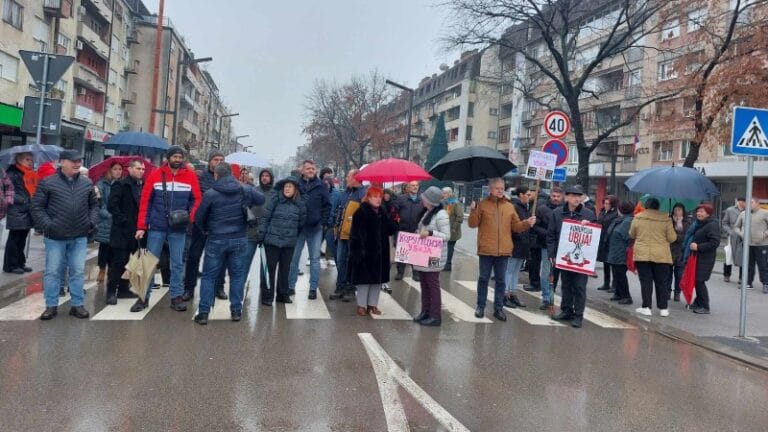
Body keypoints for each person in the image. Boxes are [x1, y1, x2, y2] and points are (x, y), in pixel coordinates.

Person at [192, 163, 264, 324]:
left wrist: (206, 230)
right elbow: (261, 199)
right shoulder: (244, 189)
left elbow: (199, 217)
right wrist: (245, 192)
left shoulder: (211, 193)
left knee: (209, 276)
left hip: (216, 238)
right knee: (237, 275)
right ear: (231, 174)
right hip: (239, 237)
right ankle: (236, 310)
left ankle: (203, 313)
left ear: (216, 175)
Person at [31, 150, 99, 320]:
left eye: (79, 161)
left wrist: (90, 222)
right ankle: (51, 306)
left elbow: (94, 206)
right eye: (73, 161)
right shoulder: (48, 182)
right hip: (55, 237)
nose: (77, 164)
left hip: (79, 236)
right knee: (53, 271)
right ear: (62, 162)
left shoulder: (86, 183)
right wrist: (49, 225)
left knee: (77, 271)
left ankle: (77, 305)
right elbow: (37, 207)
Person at [134, 146, 202, 312]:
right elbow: (146, 201)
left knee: (177, 263)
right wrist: (142, 226)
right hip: (157, 226)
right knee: (150, 262)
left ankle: (176, 296)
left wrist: (190, 216)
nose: (178, 160)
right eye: (175, 157)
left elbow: (197, 199)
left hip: (178, 227)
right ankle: (143, 297)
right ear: (168, 158)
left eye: (180, 157)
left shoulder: (190, 176)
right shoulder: (156, 174)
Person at [468, 178, 536, 322]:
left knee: (501, 280)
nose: (500, 191)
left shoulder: (509, 207)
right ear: (490, 189)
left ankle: (498, 308)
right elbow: (472, 224)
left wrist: (527, 223)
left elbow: (516, 226)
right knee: (483, 279)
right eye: (497, 188)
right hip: (486, 249)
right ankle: (480, 306)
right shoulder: (483, 205)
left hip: (504, 250)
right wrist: (473, 210)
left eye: (502, 188)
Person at [547, 184, 597, 328]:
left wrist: (589, 225)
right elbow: (551, 235)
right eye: (573, 196)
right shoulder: (557, 213)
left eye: (579, 196)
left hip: (581, 259)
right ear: (567, 197)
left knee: (579, 287)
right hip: (563, 256)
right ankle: (566, 310)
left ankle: (578, 315)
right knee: (566, 285)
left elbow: (596, 236)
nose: (577, 199)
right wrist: (551, 254)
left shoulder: (588, 214)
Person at [182, 150, 227, 302]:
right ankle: (189, 288)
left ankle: (219, 287)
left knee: (220, 257)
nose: (218, 162)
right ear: (209, 161)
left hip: (219, 225)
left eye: (221, 159)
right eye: (216, 159)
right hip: (200, 223)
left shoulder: (227, 179)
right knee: (194, 256)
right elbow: (193, 197)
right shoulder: (200, 177)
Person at [347, 186, 398, 317]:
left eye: (380, 196)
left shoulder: (383, 212)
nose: (378, 199)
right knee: (364, 281)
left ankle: (372, 305)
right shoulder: (361, 212)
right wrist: (357, 252)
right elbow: (355, 235)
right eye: (375, 196)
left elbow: (390, 230)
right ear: (368, 198)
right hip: (365, 252)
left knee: (377, 281)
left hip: (381, 253)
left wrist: (393, 217)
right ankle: (361, 305)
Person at [256, 176, 306, 305]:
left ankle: (282, 295)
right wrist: (261, 235)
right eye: (285, 186)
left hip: (288, 243)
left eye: (290, 186)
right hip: (271, 241)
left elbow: (301, 223)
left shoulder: (300, 204)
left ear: (295, 189)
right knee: (269, 270)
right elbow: (265, 218)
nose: (287, 189)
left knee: (285, 270)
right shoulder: (275, 200)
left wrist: (291, 234)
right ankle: (267, 297)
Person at [286, 160, 330, 300]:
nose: (311, 170)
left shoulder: (321, 185)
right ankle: (290, 286)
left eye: (313, 168)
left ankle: (313, 288)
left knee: (315, 259)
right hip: (298, 228)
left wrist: (323, 222)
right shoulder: (296, 185)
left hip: (315, 228)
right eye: (308, 168)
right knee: (294, 258)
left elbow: (327, 205)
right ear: (302, 171)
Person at [105, 159, 145, 305]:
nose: (141, 171)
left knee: (132, 262)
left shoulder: (142, 185)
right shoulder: (120, 184)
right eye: (138, 168)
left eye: (143, 169)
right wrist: (122, 220)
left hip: (137, 230)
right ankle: (111, 291)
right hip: (122, 230)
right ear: (130, 169)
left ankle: (123, 288)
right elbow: (112, 205)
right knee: (118, 261)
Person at [629, 197, 676, 317]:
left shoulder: (638, 217)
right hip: (661, 255)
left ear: (645, 206)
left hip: (642, 254)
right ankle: (663, 308)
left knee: (646, 281)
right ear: (658, 207)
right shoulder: (666, 219)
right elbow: (672, 238)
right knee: (662, 282)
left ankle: (646, 307)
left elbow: (632, 234)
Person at [412, 186, 450, 326]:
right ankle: (425, 311)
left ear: (430, 200)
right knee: (424, 283)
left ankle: (435, 315)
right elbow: (422, 229)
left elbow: (447, 236)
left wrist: (430, 233)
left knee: (432, 284)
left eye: (424, 198)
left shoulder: (441, 214)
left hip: (435, 256)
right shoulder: (427, 212)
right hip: (424, 254)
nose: (422, 200)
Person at [330, 169, 366, 300]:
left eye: (348, 176)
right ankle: (340, 286)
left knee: (352, 262)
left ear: (356, 178)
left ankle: (351, 288)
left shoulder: (363, 193)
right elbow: (338, 210)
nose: (346, 178)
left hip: (354, 235)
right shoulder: (344, 193)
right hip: (342, 233)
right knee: (340, 261)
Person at [527, 187, 563, 312]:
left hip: (562, 246)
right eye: (554, 196)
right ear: (550, 195)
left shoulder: (565, 209)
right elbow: (535, 226)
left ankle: (553, 295)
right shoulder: (542, 209)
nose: (556, 198)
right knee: (546, 272)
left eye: (558, 196)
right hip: (546, 245)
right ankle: (546, 298)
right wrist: (547, 234)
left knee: (557, 273)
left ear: (562, 197)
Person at [3, 152, 37, 274]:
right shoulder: (12, 173)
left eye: (31, 160)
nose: (30, 162)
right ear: (19, 160)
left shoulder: (29, 173)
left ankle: (20, 262)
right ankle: (10, 265)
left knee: (22, 238)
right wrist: (22, 200)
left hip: (27, 209)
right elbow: (7, 191)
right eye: (27, 159)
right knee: (14, 238)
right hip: (17, 210)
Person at [683, 204, 721, 313]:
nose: (698, 213)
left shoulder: (712, 225)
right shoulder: (701, 224)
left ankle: (705, 306)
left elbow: (715, 242)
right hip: (698, 257)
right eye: (698, 211)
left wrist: (698, 247)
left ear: (708, 213)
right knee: (696, 280)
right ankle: (698, 303)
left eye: (702, 212)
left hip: (705, 258)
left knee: (699, 281)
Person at [245, 168, 275, 292]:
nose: (265, 177)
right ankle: (240, 285)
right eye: (263, 175)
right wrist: (249, 216)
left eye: (267, 175)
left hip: (268, 232)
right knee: (245, 260)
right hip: (252, 230)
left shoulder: (275, 193)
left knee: (265, 264)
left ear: (271, 178)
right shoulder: (253, 191)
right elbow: (245, 206)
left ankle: (265, 289)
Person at [94, 161, 123, 284]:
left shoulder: (122, 184)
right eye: (115, 169)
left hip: (118, 221)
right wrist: (110, 215)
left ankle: (112, 271)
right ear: (109, 170)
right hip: (106, 220)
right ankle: (102, 269)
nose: (118, 171)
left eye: (120, 169)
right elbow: (99, 204)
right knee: (104, 247)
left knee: (115, 248)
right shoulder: (101, 184)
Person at [504, 186, 532, 308]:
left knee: (515, 271)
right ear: (521, 195)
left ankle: (513, 294)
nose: (529, 197)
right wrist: (521, 236)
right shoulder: (514, 207)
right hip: (515, 243)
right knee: (509, 271)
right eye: (528, 194)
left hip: (523, 244)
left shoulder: (525, 207)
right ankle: (504, 294)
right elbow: (512, 226)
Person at [734, 198, 768, 293]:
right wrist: (741, 233)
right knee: (748, 265)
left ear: (757, 203)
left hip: (762, 244)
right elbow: (736, 227)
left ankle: (765, 284)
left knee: (763, 265)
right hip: (748, 244)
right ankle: (748, 283)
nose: (749, 204)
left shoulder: (765, 213)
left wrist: (765, 234)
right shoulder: (743, 214)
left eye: (751, 202)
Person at [605, 201, 635, 304]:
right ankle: (618, 293)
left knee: (620, 275)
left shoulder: (627, 221)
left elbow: (628, 237)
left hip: (621, 252)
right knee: (616, 274)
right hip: (615, 251)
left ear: (621, 210)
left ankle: (626, 296)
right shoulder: (620, 220)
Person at [394, 181, 424, 281]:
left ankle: (416, 273)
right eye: (413, 185)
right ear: (408, 187)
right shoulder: (401, 199)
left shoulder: (422, 199)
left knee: (415, 253)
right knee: (402, 253)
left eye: (416, 185)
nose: (415, 187)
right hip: (404, 230)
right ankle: (400, 272)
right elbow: (395, 212)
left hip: (416, 230)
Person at [669, 203, 691, 302]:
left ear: (683, 211)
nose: (677, 212)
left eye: (679, 210)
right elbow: (667, 235)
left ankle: (677, 292)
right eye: (675, 210)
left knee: (679, 274)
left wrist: (675, 236)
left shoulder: (687, 222)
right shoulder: (669, 221)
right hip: (669, 250)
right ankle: (667, 291)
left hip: (681, 251)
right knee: (668, 273)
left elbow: (686, 237)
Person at [596, 195, 618, 292]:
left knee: (612, 263)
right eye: (604, 203)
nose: (605, 205)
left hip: (610, 240)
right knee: (605, 263)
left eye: (607, 204)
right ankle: (606, 283)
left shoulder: (616, 214)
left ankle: (614, 285)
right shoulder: (602, 212)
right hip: (602, 240)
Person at [722, 197, 746, 283]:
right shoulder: (730, 210)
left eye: (743, 201)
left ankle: (741, 278)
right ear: (737, 202)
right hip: (732, 237)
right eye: (740, 201)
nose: (741, 203)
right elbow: (724, 223)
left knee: (743, 257)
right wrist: (730, 231)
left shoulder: (749, 210)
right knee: (729, 255)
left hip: (744, 237)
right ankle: (727, 275)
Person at [441, 187, 463, 272]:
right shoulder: (444, 202)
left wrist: (454, 228)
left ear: (449, 194)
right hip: (444, 230)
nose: (443, 195)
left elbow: (460, 217)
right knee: (444, 248)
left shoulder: (455, 203)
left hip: (452, 231)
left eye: (444, 193)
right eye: (443, 193)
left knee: (449, 248)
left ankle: (448, 264)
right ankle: (443, 263)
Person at [323, 175, 340, 267]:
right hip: (321, 224)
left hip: (331, 224)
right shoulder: (320, 193)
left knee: (332, 245)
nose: (326, 186)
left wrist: (334, 219)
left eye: (327, 184)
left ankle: (337, 264)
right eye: (324, 184)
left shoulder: (337, 194)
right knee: (315, 246)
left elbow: (338, 208)